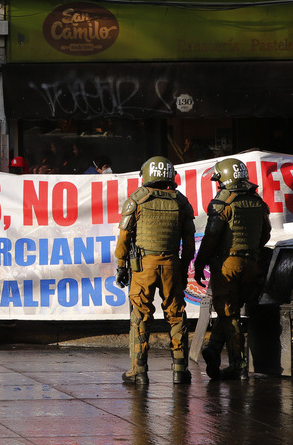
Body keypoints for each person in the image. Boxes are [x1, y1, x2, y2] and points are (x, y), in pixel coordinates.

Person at [114, 156, 196, 385]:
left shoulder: (137, 199)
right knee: (176, 314)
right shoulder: (181, 202)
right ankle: (180, 370)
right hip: (172, 264)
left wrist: (121, 266)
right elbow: (189, 242)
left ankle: (138, 371)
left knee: (140, 315)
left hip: (143, 267)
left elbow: (124, 238)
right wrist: (183, 267)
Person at [194, 158, 272, 381]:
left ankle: (238, 366)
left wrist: (200, 263)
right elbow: (266, 234)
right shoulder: (257, 201)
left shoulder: (223, 203)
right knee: (231, 310)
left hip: (228, 264)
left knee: (229, 314)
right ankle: (213, 347)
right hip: (252, 264)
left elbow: (211, 237)